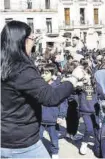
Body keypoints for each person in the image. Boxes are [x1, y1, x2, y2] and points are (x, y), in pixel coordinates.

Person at [1, 21, 84, 158]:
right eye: (33, 39)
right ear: (23, 41)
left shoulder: (5, 64)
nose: (34, 44)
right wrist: (73, 79)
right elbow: (50, 97)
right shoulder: (22, 68)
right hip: (22, 143)